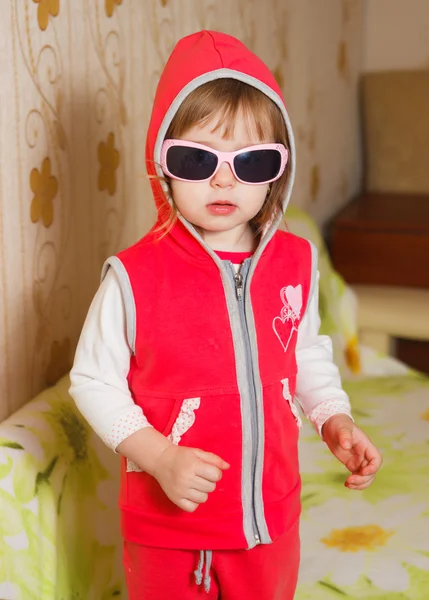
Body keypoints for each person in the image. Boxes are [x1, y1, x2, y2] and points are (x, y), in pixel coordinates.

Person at [69, 30, 382, 600]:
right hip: (169, 528)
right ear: (161, 162)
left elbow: (305, 352)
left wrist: (333, 416)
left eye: (252, 160)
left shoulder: (295, 260)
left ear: (276, 171)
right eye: (196, 158)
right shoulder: (134, 277)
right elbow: (92, 379)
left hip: (271, 521)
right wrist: (158, 455)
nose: (224, 178)